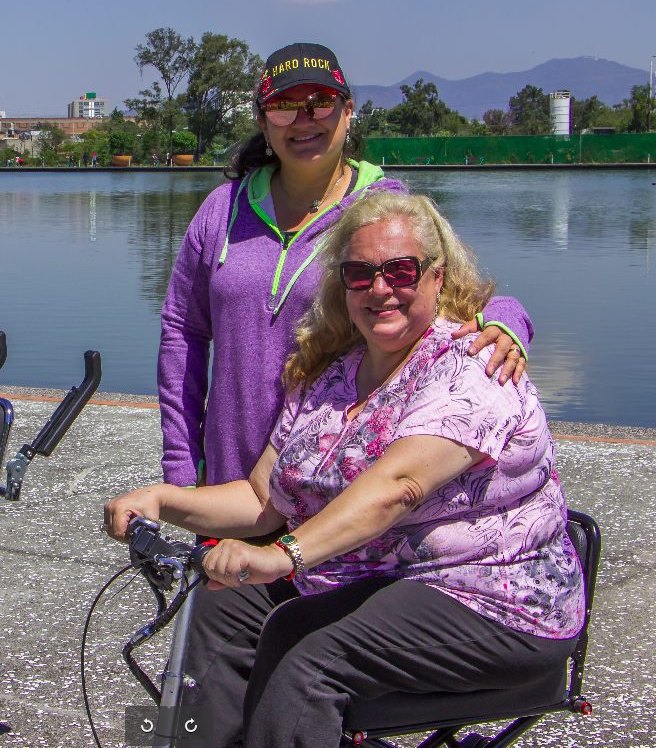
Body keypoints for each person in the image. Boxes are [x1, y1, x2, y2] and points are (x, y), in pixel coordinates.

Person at [105, 192, 583, 748]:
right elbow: (262, 501)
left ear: (437, 276)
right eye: (360, 273)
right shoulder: (331, 374)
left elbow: (397, 488)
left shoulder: (473, 364)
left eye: (401, 270)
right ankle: (197, 743)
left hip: (491, 599)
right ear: (343, 284)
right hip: (360, 579)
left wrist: (280, 556)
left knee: (305, 651)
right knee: (217, 607)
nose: (380, 289)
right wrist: (163, 499)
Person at [159, 42, 533, 491]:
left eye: (321, 103)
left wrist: (508, 322)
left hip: (339, 481)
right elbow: (183, 331)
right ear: (262, 120)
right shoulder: (224, 210)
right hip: (228, 480)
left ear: (347, 110)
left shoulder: (384, 205)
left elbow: (457, 292)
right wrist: (182, 463)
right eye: (284, 107)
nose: (304, 119)